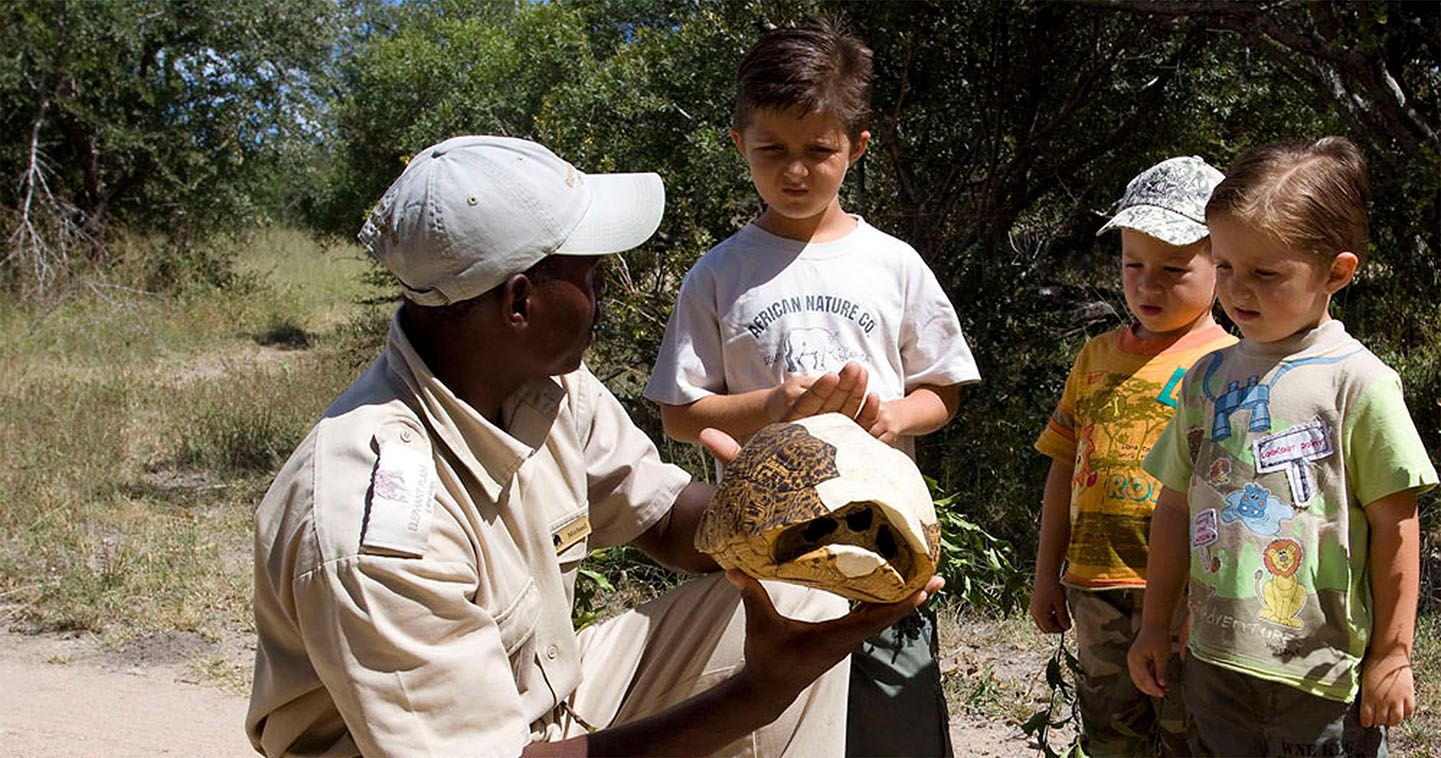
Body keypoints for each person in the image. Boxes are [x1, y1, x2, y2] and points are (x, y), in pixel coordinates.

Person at [245, 134, 943, 758]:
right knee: (770, 672)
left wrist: (780, 507)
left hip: (545, 707)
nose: (603, 294)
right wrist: (758, 694)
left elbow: (665, 519)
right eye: (592, 277)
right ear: (519, 303)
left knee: (799, 585)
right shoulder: (374, 520)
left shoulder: (543, 386)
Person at [643, 20, 978, 758]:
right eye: (772, 151)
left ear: (855, 147)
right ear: (739, 145)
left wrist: (892, 416)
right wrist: (772, 408)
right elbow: (678, 412)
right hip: (765, 553)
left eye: (817, 151)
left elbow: (942, 390)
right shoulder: (719, 274)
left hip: (884, 545)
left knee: (894, 714)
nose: (795, 171)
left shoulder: (892, 264)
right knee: (771, 722)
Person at [1128, 137, 1438, 756]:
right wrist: (1156, 623)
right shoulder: (1205, 380)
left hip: (1321, 677)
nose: (1239, 290)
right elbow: (1176, 506)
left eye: (1266, 273)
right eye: (1225, 267)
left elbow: (1396, 527)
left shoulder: (1359, 383)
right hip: (1215, 662)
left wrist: (1393, 655)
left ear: (1336, 273)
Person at [1028, 156, 1233, 755]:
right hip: (1094, 585)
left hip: (1185, 592)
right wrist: (1047, 576)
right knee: (1111, 732)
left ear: (1222, 267)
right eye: (1132, 265)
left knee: (1186, 729)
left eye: (1173, 269)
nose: (1148, 285)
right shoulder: (1094, 357)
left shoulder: (1227, 364)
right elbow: (1063, 468)